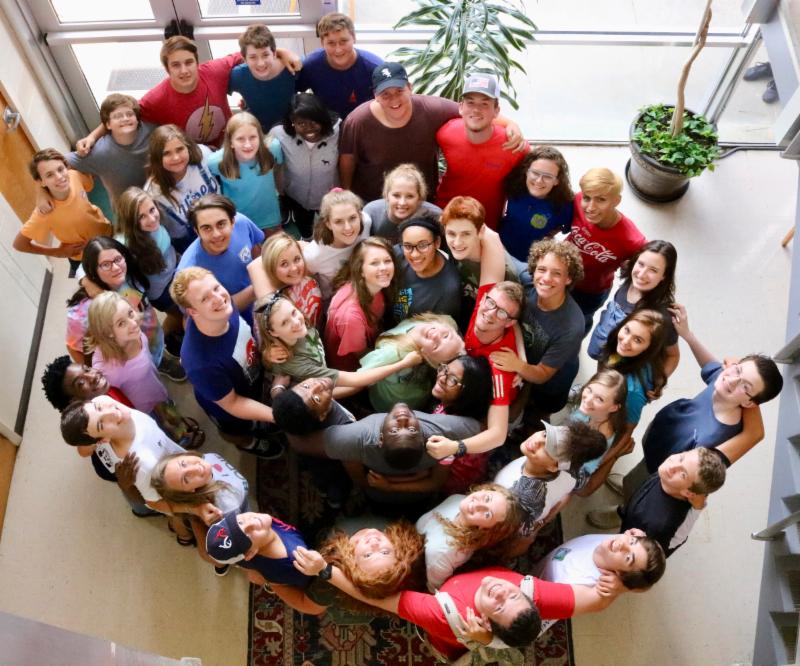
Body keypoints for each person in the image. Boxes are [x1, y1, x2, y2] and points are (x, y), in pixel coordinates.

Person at [293, 549, 608, 663]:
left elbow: (377, 599)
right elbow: (595, 602)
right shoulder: (534, 592)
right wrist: (622, 580)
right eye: (513, 597)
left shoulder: (441, 615)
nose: (502, 592)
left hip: (446, 638)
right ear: (528, 596)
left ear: (486, 621)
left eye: (499, 607)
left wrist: (325, 571)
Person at [629, 303, 782, 484]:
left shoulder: (712, 437)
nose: (732, 380)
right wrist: (688, 335)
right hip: (658, 439)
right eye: (737, 370)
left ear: (749, 403)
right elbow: (710, 366)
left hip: (662, 468)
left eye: (746, 387)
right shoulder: (721, 382)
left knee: (638, 484)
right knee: (636, 475)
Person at [339, 62, 524, 202]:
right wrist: (347, 196)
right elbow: (347, 160)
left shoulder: (432, 109)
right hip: (373, 202)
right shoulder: (358, 121)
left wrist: (511, 124)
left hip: (422, 202)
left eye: (399, 91)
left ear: (410, 88)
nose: (394, 99)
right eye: (385, 94)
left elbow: (472, 111)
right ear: (375, 96)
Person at [75, 35, 299, 150]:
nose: (184, 70)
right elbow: (125, 113)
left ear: (197, 62)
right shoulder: (157, 98)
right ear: (167, 69)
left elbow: (248, 53)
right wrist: (92, 136)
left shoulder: (214, 70)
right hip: (193, 154)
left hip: (229, 142)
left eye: (189, 62)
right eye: (176, 65)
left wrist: (281, 52)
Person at [59, 395, 208, 544]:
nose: (111, 412)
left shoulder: (103, 401)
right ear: (103, 440)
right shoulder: (142, 464)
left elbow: (83, 449)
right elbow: (154, 502)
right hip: (171, 484)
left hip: (173, 461)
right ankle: (184, 536)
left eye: (98, 407)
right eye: (101, 424)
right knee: (177, 516)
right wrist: (194, 509)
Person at [170, 267, 280, 457]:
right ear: (192, 311)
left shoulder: (223, 307)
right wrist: (277, 415)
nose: (218, 298)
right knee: (237, 430)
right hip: (227, 405)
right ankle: (249, 443)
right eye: (205, 298)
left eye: (216, 287)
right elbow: (233, 403)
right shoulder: (200, 363)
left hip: (250, 381)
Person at [86, 291, 201, 447]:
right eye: (121, 323)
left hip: (157, 391)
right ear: (108, 333)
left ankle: (179, 427)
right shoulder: (105, 369)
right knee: (164, 428)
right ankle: (182, 440)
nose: (133, 323)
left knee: (170, 414)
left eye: (130, 313)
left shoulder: (135, 333)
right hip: (145, 409)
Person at [491, 239, 585, 418]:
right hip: (525, 359)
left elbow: (543, 374)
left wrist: (518, 365)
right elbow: (503, 254)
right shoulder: (527, 282)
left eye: (557, 273)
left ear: (568, 278)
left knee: (538, 413)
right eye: (542, 269)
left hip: (551, 381)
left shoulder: (571, 327)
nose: (546, 278)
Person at [323, 403, 481, 508]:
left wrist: (388, 485)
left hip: (383, 496)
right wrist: (405, 480)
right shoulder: (446, 440)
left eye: (395, 430)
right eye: (411, 430)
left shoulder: (352, 442)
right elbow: (436, 482)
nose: (403, 420)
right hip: (415, 494)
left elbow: (361, 481)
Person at [65, 237, 178, 380]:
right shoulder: (82, 313)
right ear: (92, 270)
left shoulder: (129, 274)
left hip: (153, 339)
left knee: (156, 358)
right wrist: (96, 378)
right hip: (130, 364)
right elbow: (73, 347)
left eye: (118, 259)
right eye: (105, 265)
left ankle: (160, 362)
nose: (116, 268)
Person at [257, 292, 419, 390]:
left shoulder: (300, 325)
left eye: (293, 312)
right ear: (273, 332)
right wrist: (403, 363)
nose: (296, 322)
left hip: (326, 373)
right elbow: (353, 381)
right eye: (284, 323)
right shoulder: (294, 362)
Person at [435, 72, 529, 229]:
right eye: (470, 102)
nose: (476, 110)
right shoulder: (446, 133)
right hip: (444, 220)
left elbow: (540, 174)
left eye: (484, 104)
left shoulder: (514, 146)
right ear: (461, 107)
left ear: (496, 110)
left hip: (486, 227)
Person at [593, 448, 728, 556]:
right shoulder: (667, 476)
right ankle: (622, 513)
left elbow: (649, 553)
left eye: (683, 474)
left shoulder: (661, 526)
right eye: (681, 458)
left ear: (688, 493)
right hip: (637, 507)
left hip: (637, 532)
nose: (673, 465)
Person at [494, 421, 606, 548]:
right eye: (545, 434)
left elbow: (513, 529)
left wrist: (536, 527)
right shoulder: (575, 472)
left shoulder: (524, 498)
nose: (537, 442)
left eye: (548, 450)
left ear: (554, 467)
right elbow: (574, 488)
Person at [566, 168, 646, 333]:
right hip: (560, 275)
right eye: (587, 198)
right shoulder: (578, 201)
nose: (590, 207)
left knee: (579, 322)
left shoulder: (632, 240)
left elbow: (652, 266)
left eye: (601, 200)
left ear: (616, 201)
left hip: (589, 291)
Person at [588, 241, 680, 381]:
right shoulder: (631, 280)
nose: (641, 275)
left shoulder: (662, 315)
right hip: (607, 355)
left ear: (664, 276)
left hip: (622, 378)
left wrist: (657, 384)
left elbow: (673, 355)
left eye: (653, 270)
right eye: (641, 264)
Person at [206, 510, 325, 613]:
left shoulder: (262, 527)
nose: (252, 522)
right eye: (247, 535)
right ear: (251, 553)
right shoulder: (291, 562)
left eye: (240, 522)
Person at [13, 149, 112, 271]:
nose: (59, 177)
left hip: (108, 233)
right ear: (41, 182)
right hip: (87, 257)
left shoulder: (74, 176)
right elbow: (19, 244)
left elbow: (88, 181)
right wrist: (57, 252)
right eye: (49, 175)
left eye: (60, 169)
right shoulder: (44, 212)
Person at [151, 451, 249, 573]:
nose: (194, 469)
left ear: (183, 455)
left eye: (183, 464)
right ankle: (221, 564)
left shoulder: (208, 457)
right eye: (186, 479)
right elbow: (231, 540)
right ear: (190, 491)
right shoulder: (227, 504)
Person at [440, 196, 527, 330]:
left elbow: (507, 321)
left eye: (466, 234)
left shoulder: (506, 274)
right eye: (451, 234)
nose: (457, 242)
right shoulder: (449, 247)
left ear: (480, 232)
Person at [416, 483, 523, 590]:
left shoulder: (443, 552)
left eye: (487, 514)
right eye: (487, 498)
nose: (478, 505)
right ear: (485, 489)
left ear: (486, 529)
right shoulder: (458, 499)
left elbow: (433, 589)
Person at [175, 194, 263, 325]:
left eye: (221, 224)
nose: (216, 234)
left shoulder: (242, 223)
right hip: (231, 324)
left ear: (233, 222)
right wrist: (258, 287)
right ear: (197, 232)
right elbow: (193, 319)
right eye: (207, 228)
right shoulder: (188, 272)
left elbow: (255, 248)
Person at [113, 187, 182, 349]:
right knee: (179, 317)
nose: (152, 219)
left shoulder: (156, 223)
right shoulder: (125, 246)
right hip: (162, 292)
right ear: (130, 222)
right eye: (141, 217)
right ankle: (163, 345)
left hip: (175, 272)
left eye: (152, 210)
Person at [596, 309, 670, 455]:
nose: (625, 341)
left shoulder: (632, 390)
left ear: (649, 348)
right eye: (627, 330)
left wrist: (603, 461)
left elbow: (626, 432)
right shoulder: (621, 352)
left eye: (638, 340)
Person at [358, 314, 464, 412]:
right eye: (446, 335)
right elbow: (451, 322)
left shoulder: (395, 352)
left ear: (426, 356)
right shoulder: (441, 321)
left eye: (436, 346)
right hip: (402, 397)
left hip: (399, 401)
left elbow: (359, 379)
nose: (436, 335)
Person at [62, 94, 154, 205]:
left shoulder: (153, 133)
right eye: (117, 116)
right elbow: (61, 161)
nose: (125, 118)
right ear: (108, 125)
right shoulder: (100, 152)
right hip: (128, 207)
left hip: (158, 197)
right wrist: (43, 191)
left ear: (137, 119)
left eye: (129, 114)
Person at [272, 93, 340, 239]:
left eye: (314, 122)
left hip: (330, 197)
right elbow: (273, 163)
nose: (309, 129)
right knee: (304, 229)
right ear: (292, 122)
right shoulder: (279, 134)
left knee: (331, 231)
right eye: (301, 124)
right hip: (297, 197)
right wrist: (281, 189)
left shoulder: (340, 130)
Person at [324, 237, 399, 371]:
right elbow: (363, 357)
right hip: (353, 370)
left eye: (387, 261)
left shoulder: (372, 286)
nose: (383, 267)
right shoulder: (350, 317)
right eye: (374, 263)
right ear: (361, 270)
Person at [144, 124, 219, 253]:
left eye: (180, 149)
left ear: (188, 147)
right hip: (190, 241)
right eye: (167, 153)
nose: (176, 157)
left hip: (221, 219)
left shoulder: (203, 155)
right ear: (157, 158)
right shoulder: (153, 193)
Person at [295, 12, 384, 119]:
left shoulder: (375, 68)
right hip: (327, 124)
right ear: (322, 43)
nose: (338, 49)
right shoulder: (311, 66)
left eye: (343, 41)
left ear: (354, 38)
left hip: (363, 123)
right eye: (331, 43)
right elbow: (290, 92)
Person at [207, 112, 284, 234]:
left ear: (260, 137)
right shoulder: (216, 162)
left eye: (253, 137)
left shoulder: (272, 149)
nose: (248, 144)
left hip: (270, 217)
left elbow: (280, 169)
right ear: (231, 142)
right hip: (238, 220)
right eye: (240, 139)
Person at [428, 355, 494, 494]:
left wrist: (389, 486)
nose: (442, 378)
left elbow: (435, 483)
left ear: (469, 392)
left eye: (453, 379)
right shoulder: (457, 407)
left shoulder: (452, 431)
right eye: (444, 369)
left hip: (451, 489)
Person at [534, 529, 666, 598]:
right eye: (632, 541)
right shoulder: (614, 543)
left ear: (620, 574)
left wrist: (622, 588)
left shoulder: (589, 587)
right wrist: (639, 538)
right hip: (542, 568)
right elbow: (647, 584)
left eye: (628, 558)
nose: (622, 544)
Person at [499, 146, 574, 262]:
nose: (539, 181)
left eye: (547, 176)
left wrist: (552, 233)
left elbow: (568, 227)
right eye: (535, 173)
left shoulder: (564, 204)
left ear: (557, 180)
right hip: (501, 252)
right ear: (526, 171)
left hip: (533, 262)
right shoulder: (514, 188)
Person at [302, 188, 372, 302]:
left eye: (352, 218)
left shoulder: (366, 222)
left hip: (366, 292)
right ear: (328, 224)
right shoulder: (313, 255)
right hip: (334, 302)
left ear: (360, 216)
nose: (348, 227)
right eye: (338, 221)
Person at [568, 369, 629, 497]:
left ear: (613, 407)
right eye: (589, 389)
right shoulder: (588, 410)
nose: (588, 399)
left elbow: (583, 470)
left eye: (600, 399)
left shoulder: (601, 439)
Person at [392, 217, 462, 324]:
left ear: (437, 242)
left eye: (423, 245)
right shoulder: (397, 254)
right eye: (408, 246)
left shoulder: (449, 289)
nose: (414, 254)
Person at [228, 24, 296, 133]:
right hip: (257, 133)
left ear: (274, 53)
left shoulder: (291, 69)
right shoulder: (238, 75)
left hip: (289, 132)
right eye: (253, 57)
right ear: (244, 58)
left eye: (265, 55)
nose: (260, 63)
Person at [247, 232, 323, 328]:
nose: (294, 268)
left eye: (297, 259)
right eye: (284, 264)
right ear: (271, 268)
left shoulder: (310, 281)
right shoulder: (269, 307)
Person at [364, 163, 443, 244]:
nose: (402, 203)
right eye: (396, 195)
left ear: (419, 198)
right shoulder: (372, 213)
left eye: (410, 196)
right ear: (386, 195)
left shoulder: (434, 216)